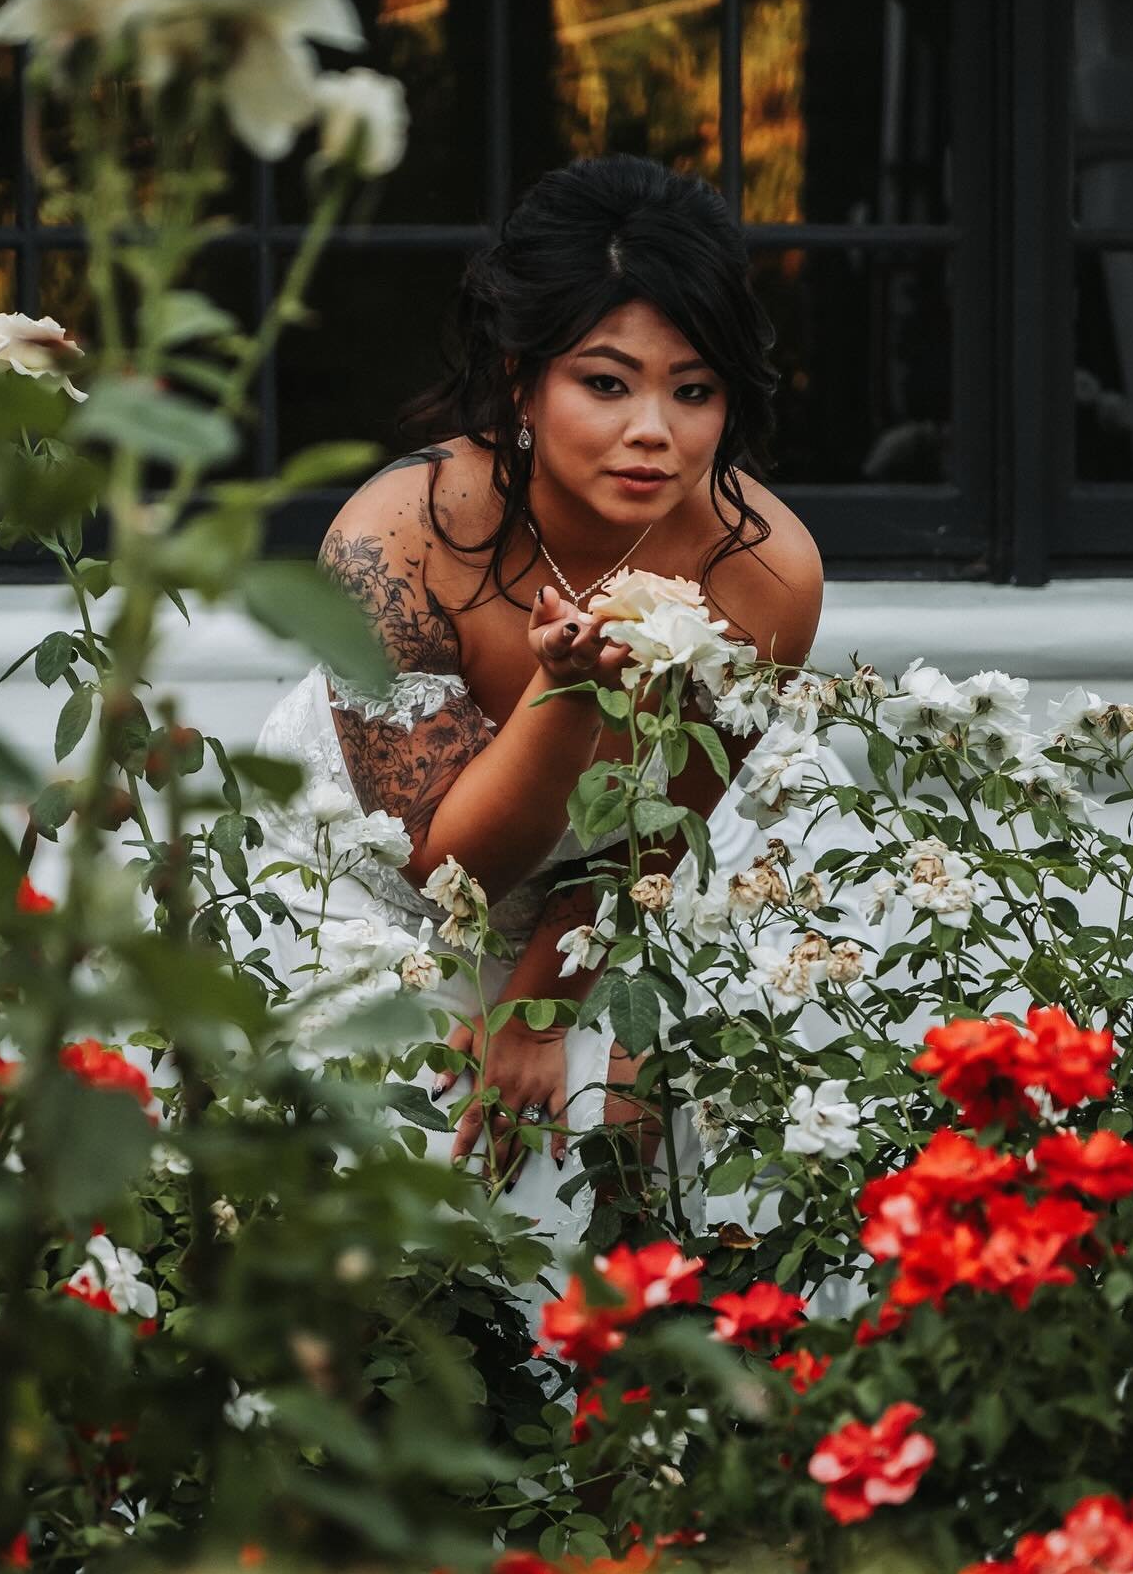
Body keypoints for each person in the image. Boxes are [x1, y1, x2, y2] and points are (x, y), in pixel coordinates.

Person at [251, 153, 830, 1294]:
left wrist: (551, 1001)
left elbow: (667, 825)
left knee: (656, 1145)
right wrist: (569, 696)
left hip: (624, 883)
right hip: (383, 871)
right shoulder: (395, 542)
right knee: (393, 1187)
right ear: (522, 379)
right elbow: (448, 860)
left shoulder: (766, 573)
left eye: (695, 390)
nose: (654, 431)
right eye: (606, 384)